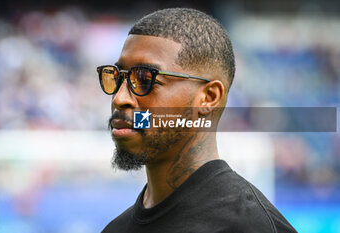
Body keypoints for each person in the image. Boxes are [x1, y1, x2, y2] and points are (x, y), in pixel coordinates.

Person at [98, 8, 297, 233]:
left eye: (145, 79)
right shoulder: (115, 229)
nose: (119, 98)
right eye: (118, 77)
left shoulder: (249, 226)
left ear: (208, 97)